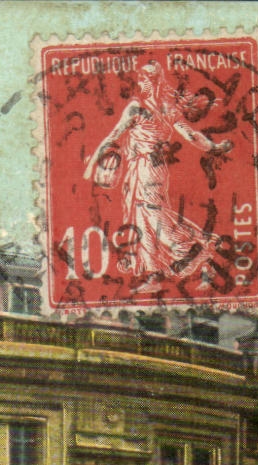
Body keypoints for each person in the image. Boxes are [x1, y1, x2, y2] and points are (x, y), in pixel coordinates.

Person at [82, 59, 233, 295]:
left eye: (143, 79)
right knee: (150, 217)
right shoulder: (166, 108)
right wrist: (214, 147)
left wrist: (91, 165)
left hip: (145, 169)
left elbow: (113, 135)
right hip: (155, 170)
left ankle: (195, 253)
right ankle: (168, 271)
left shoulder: (136, 107)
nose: (140, 83)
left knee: (152, 219)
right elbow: (192, 136)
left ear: (150, 82)